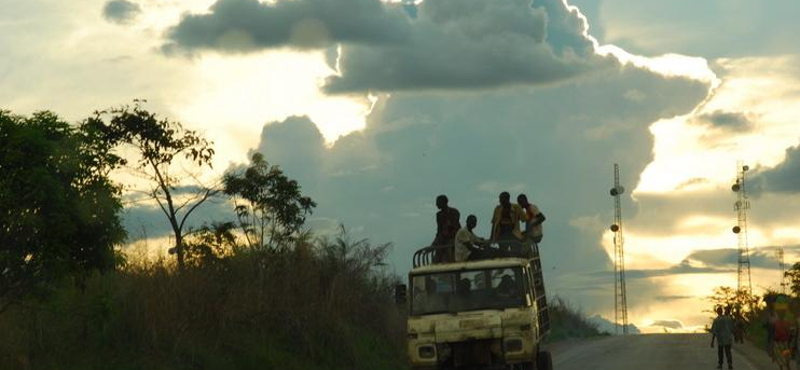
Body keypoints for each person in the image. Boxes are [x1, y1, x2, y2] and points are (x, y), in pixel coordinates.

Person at [431, 194, 461, 263]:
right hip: (443, 239)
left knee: (448, 251)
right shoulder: (439, 215)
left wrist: (446, 237)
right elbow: (439, 231)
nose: (436, 204)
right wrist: (434, 243)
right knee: (437, 255)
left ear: (444, 202)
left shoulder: (454, 212)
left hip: (454, 237)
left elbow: (456, 228)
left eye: (438, 202)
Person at [711, 305, 734, 370]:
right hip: (728, 338)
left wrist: (712, 341)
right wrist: (734, 336)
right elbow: (732, 328)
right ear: (722, 311)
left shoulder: (716, 320)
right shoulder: (728, 318)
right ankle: (730, 363)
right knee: (728, 351)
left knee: (720, 352)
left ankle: (720, 364)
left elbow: (714, 331)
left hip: (720, 339)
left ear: (717, 312)